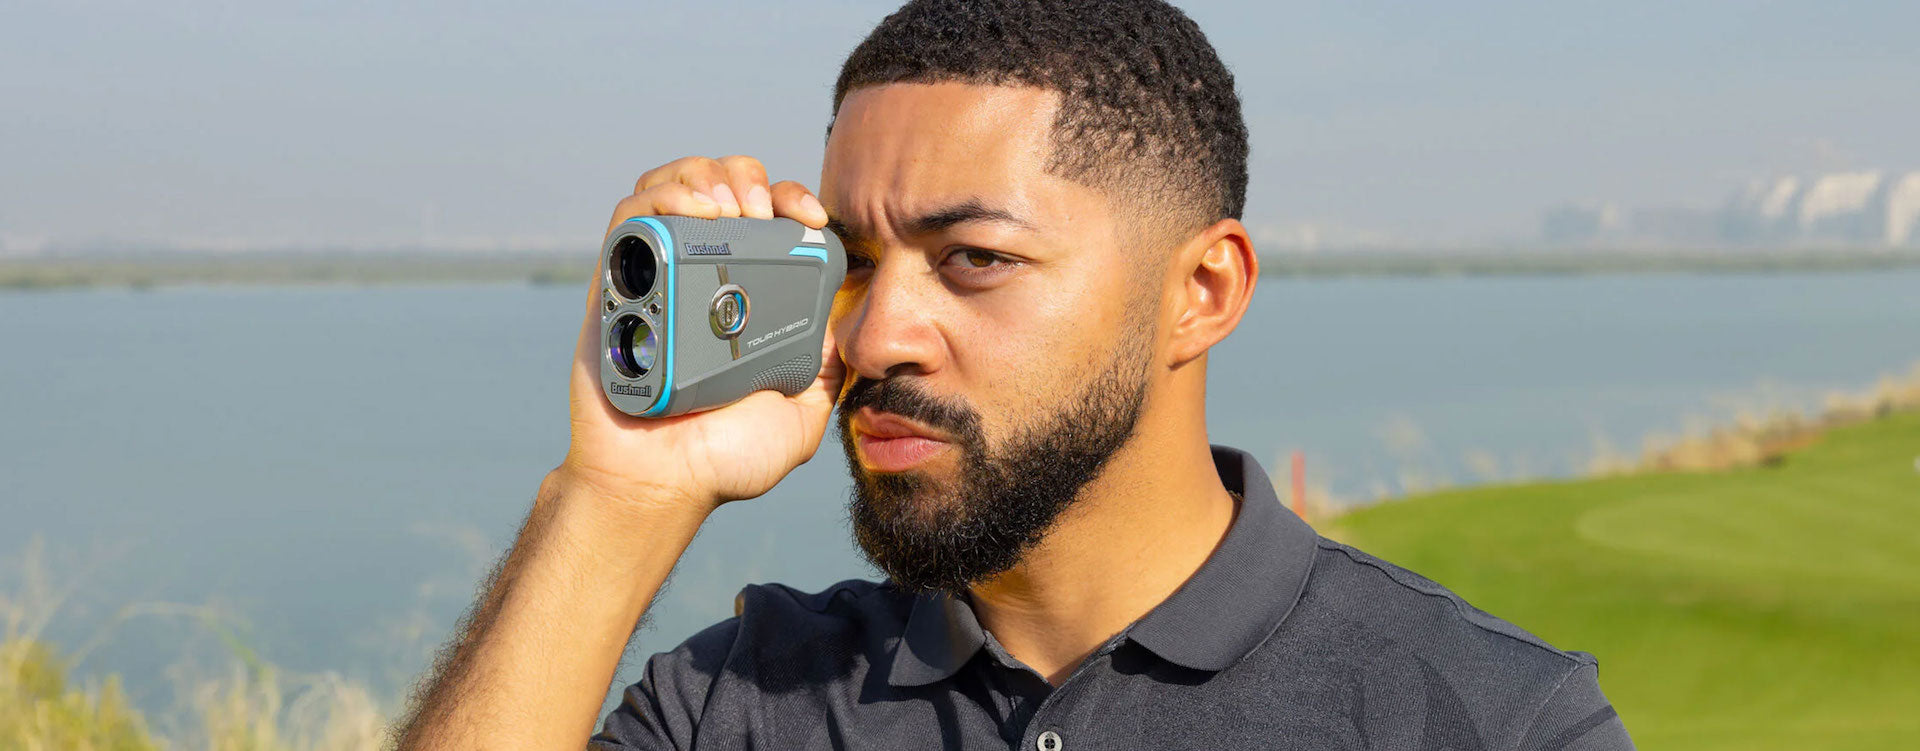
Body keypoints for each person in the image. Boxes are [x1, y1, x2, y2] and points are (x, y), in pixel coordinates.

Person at [394, 1, 1633, 748]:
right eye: (855, 259)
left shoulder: (1486, 719)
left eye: (974, 258)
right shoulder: (746, 698)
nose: (876, 336)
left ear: (1201, 293)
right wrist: (619, 494)